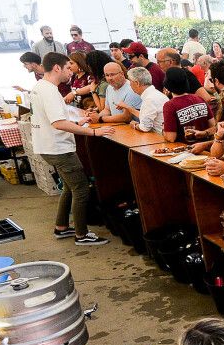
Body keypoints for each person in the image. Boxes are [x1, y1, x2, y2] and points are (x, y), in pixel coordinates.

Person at [30, 53, 113, 245]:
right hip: (58, 148)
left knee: (69, 186)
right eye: (68, 67)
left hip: (48, 145)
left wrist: (77, 121)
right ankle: (81, 235)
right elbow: (58, 123)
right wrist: (93, 133)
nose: (71, 71)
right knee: (81, 188)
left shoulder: (40, 88)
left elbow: (54, 118)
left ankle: (61, 227)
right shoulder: (49, 91)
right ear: (57, 68)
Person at [161, 67, 210, 142]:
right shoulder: (200, 99)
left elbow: (171, 138)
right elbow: (213, 126)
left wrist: (163, 130)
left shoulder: (170, 105)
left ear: (167, 85)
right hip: (205, 147)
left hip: (184, 149)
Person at [124, 66, 168, 134]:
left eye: (130, 82)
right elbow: (145, 116)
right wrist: (127, 107)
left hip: (158, 138)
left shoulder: (149, 99)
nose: (130, 85)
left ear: (137, 83)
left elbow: (145, 127)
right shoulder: (157, 94)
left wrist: (134, 125)